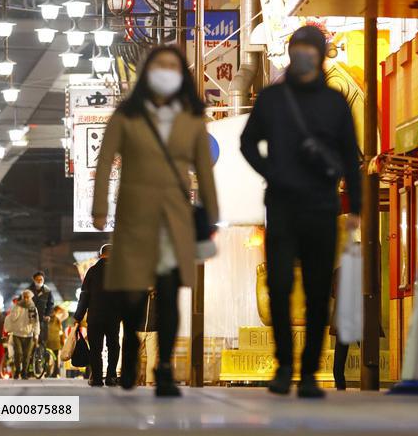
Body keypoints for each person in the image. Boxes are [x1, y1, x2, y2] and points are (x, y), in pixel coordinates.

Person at [240, 24, 361, 399]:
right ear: (291, 54)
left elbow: (350, 157)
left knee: (317, 290)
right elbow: (247, 143)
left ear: (322, 54)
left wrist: (355, 207)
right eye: (299, 49)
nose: (305, 55)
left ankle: (308, 372)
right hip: (282, 206)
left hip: (323, 208)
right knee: (278, 286)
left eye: (312, 49)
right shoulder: (273, 98)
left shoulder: (335, 101)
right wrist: (272, 173)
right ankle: (284, 366)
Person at [92, 45, 219, 397]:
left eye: (172, 67)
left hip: (174, 217)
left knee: (166, 293)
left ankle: (163, 368)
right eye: (159, 66)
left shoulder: (191, 119)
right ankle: (131, 351)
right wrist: (100, 207)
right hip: (134, 214)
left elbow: (204, 173)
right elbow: (104, 162)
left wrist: (211, 216)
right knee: (132, 295)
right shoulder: (127, 116)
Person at [73, 244, 119, 387]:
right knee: (113, 346)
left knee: (95, 349)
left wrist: (78, 316)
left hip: (95, 317)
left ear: (100, 255)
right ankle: (111, 376)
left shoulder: (92, 271)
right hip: (113, 317)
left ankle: (97, 378)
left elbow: (84, 296)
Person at [4, 291, 40, 379]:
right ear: (22, 297)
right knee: (18, 353)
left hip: (29, 335)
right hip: (17, 334)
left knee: (27, 355)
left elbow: (36, 322)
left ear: (31, 297)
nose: (26, 299)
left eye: (28, 297)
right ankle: (17, 370)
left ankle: (24, 372)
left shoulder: (33, 308)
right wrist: (17, 308)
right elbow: (13, 318)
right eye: (25, 297)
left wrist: (36, 334)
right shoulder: (17, 306)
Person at [137, 289, 158, 386]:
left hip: (153, 329)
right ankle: (135, 378)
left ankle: (149, 380)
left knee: (152, 356)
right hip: (138, 328)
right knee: (135, 355)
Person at [28, 272, 53, 342]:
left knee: (42, 339)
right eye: (37, 279)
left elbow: (50, 304)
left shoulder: (47, 291)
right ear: (34, 280)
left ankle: (41, 351)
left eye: (41, 279)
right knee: (30, 339)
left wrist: (48, 315)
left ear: (43, 280)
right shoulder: (28, 290)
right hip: (30, 319)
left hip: (42, 319)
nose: (39, 281)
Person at [46, 306, 67, 375]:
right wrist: (61, 309)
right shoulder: (58, 318)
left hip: (48, 340)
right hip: (55, 340)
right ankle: (55, 372)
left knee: (48, 357)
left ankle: (48, 372)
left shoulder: (48, 318)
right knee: (55, 358)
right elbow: (66, 314)